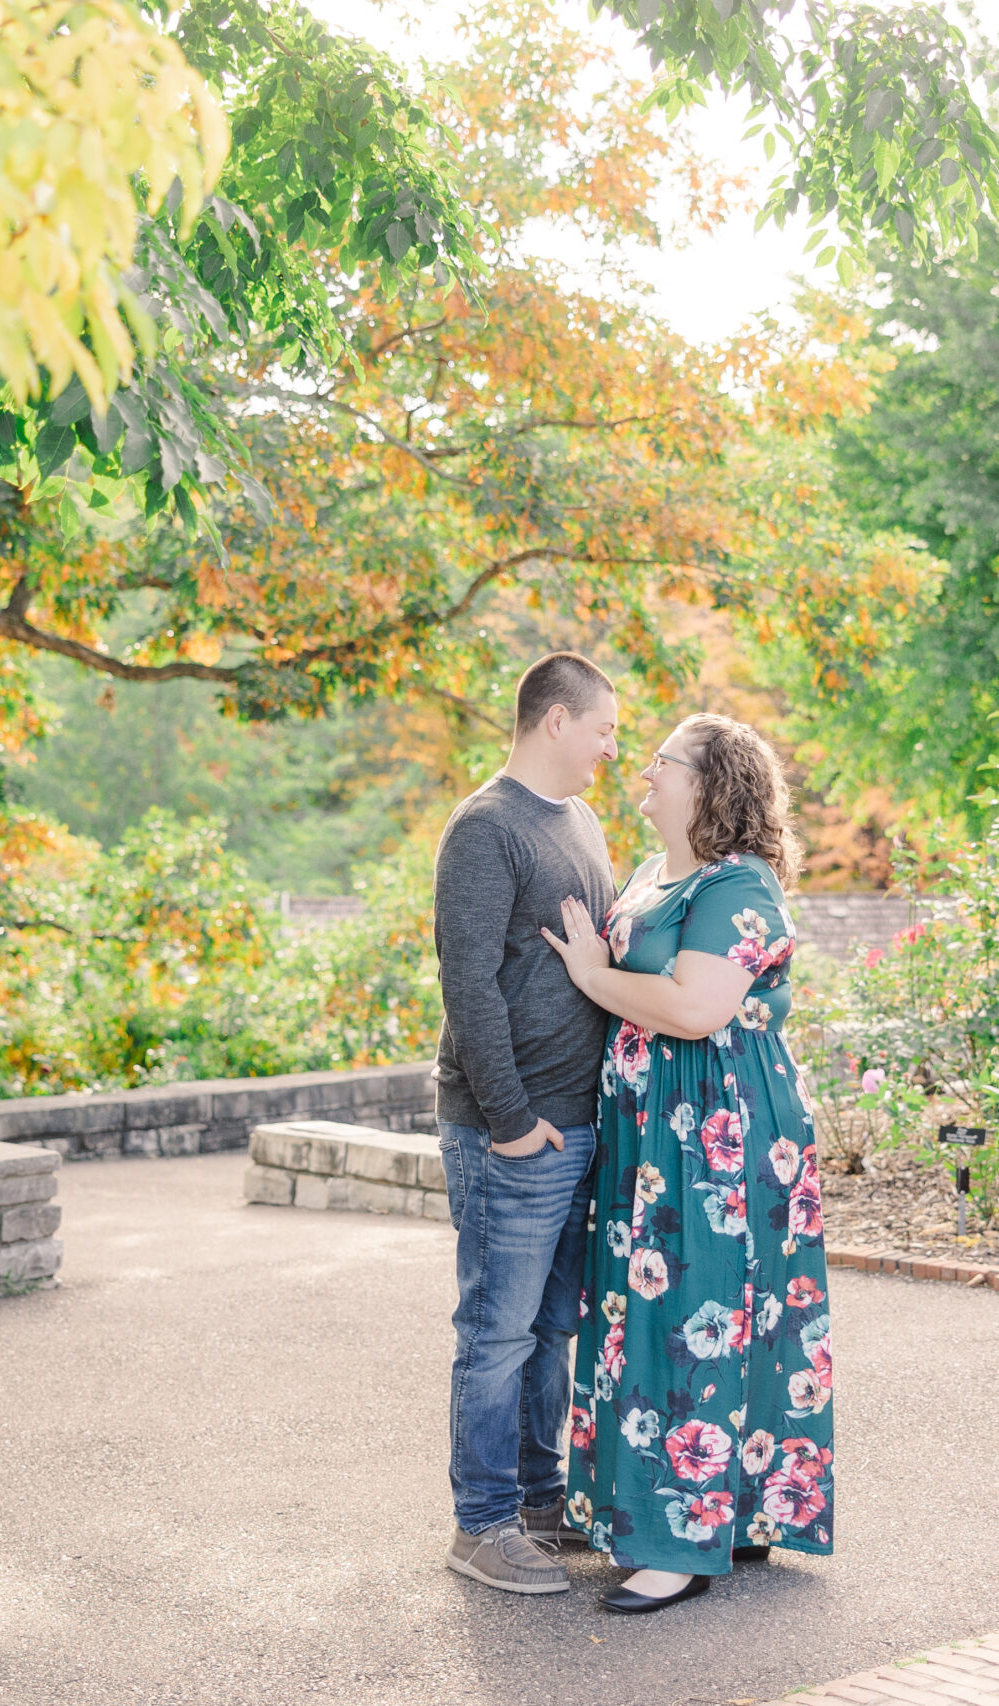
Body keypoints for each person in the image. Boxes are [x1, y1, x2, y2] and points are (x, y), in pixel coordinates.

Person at [540, 712, 835, 1615]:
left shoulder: (739, 887)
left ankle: (681, 1543)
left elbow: (699, 1006)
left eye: (662, 761)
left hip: (719, 1132)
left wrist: (594, 976)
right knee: (649, 1309)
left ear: (707, 784)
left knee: (696, 1314)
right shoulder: (651, 875)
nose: (644, 771)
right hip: (652, 1136)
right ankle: (720, 1516)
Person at [433, 651, 620, 1595]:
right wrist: (509, 1122)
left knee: (553, 1329)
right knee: (497, 1332)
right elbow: (468, 986)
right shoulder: (486, 828)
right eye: (603, 730)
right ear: (557, 721)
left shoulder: (581, 821)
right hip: (513, 1132)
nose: (610, 748)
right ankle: (482, 1524)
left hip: (578, 1127)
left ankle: (542, 1502)